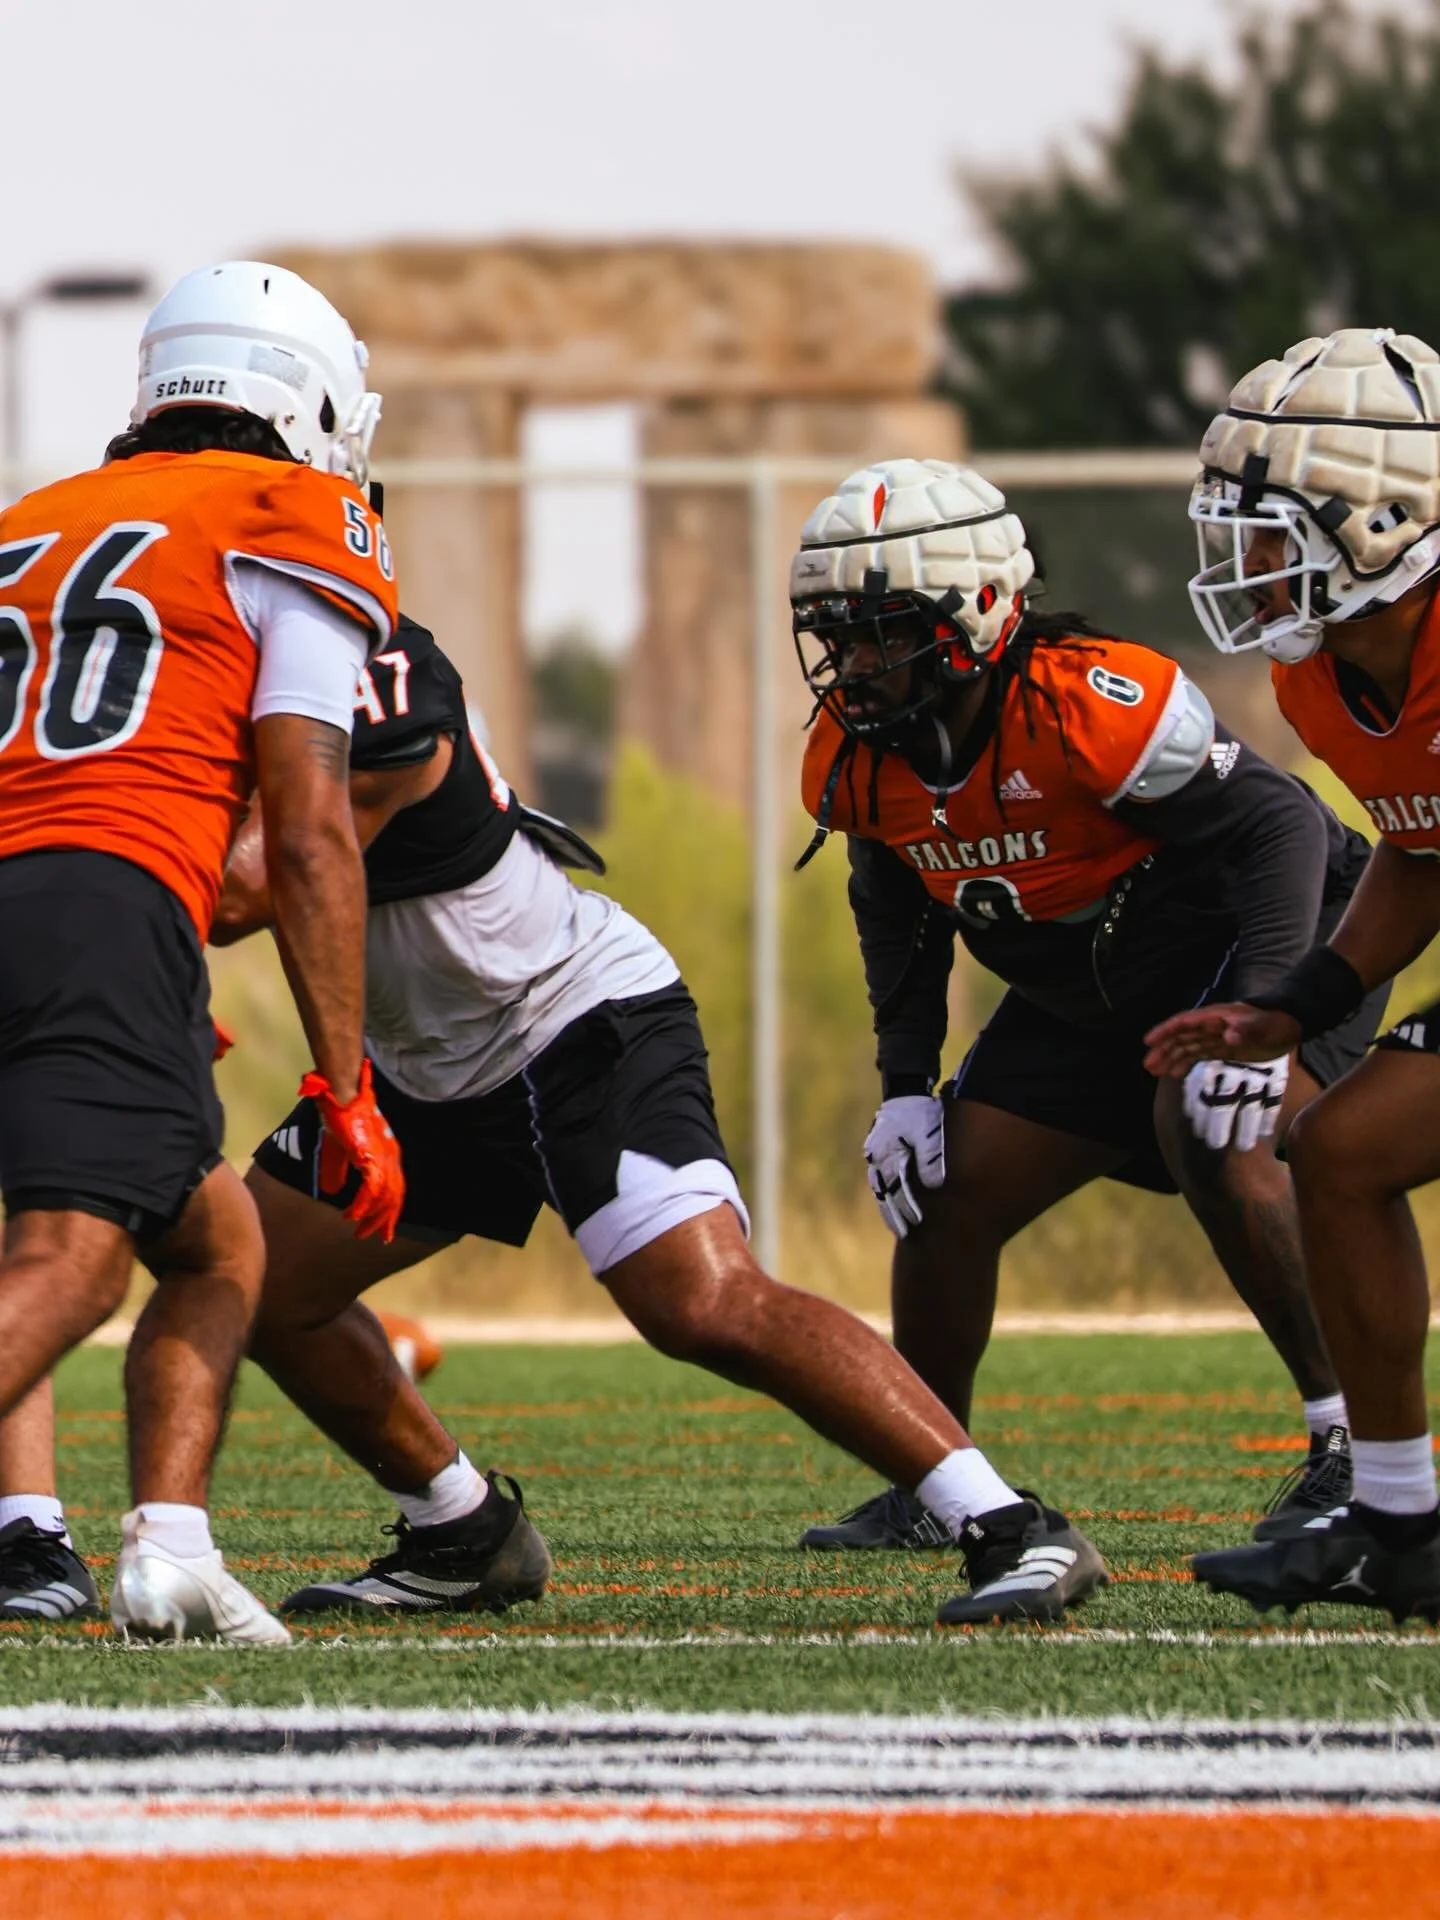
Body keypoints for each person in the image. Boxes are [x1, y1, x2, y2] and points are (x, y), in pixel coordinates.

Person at [29, 610, 1097, 1631]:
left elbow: (241, 887)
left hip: (572, 1016)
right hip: (419, 1064)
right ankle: (460, 1529)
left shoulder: (375, 663)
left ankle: (1006, 1522)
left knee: (703, 1301)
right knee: (265, 1287)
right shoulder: (212, 672)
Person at [789, 458, 1387, 1553]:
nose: (855, 666)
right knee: (944, 1187)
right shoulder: (853, 759)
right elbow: (896, 907)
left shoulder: (1086, 701)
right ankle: (940, 1477)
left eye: (883, 632)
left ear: (975, 614)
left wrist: (1265, 1011)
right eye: (840, 636)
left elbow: (1281, 833)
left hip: (1266, 930)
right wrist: (905, 1088)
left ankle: (1353, 1448)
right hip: (1095, 983)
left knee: (1209, 1116)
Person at [0, 261, 404, 1645]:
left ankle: (170, 1545)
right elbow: (306, 830)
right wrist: (347, 1085)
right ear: (307, 399)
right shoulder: (296, 512)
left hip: (65, 901)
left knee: (214, 1234)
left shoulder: (35, 517)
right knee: (72, 1263)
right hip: (97, 890)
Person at [1144, 327, 1440, 1624]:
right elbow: (1424, 849)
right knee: (1338, 1148)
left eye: (1275, 530)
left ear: (1383, 519)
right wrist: (1295, 1006)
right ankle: (1399, 1523)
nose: (1247, 563)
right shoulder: (1331, 680)